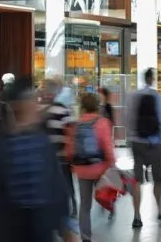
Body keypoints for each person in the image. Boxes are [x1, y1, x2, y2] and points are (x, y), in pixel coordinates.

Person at [0, 78, 68, 242]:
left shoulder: (41, 139)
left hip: (41, 227)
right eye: (31, 99)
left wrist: (63, 222)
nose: (36, 103)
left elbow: (55, 183)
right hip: (11, 228)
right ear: (19, 105)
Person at [66, 92, 115, 242]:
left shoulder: (76, 125)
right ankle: (111, 210)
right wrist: (111, 164)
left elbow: (70, 149)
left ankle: (86, 237)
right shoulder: (103, 122)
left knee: (85, 205)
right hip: (101, 168)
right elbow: (107, 147)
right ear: (97, 106)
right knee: (107, 193)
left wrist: (72, 165)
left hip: (82, 170)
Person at [126, 68, 161, 228]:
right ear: (152, 79)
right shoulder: (157, 97)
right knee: (158, 179)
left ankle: (137, 216)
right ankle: (160, 211)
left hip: (137, 143)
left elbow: (128, 119)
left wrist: (131, 138)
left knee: (137, 180)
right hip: (155, 144)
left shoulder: (132, 96)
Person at [40, 79, 77, 217]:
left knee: (55, 182)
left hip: (51, 155)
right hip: (60, 154)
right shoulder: (62, 109)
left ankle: (65, 207)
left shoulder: (43, 110)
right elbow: (70, 130)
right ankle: (72, 206)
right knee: (66, 182)